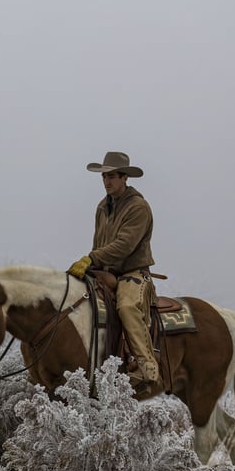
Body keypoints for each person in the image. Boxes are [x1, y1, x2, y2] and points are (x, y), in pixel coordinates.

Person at [68, 151, 160, 390]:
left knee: (127, 307)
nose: (107, 181)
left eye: (111, 176)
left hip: (133, 273)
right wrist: (90, 266)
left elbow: (124, 246)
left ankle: (146, 366)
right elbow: (99, 243)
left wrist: (91, 258)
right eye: (104, 177)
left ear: (124, 177)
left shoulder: (138, 207)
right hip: (104, 271)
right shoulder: (102, 207)